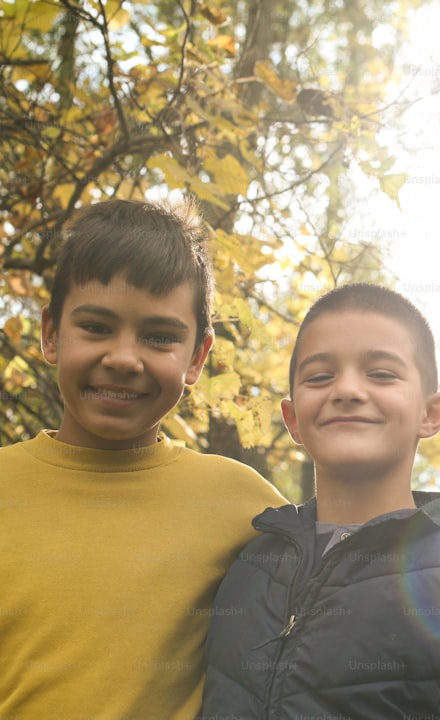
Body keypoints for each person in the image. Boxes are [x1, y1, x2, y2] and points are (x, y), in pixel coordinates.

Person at [199, 282, 440, 719]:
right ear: (293, 419)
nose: (346, 390)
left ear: (430, 413)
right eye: (320, 376)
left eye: (380, 373)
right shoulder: (248, 565)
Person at [0, 198, 285, 719]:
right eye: (96, 327)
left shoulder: (243, 504)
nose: (124, 358)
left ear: (198, 357)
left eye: (159, 337)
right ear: (50, 334)